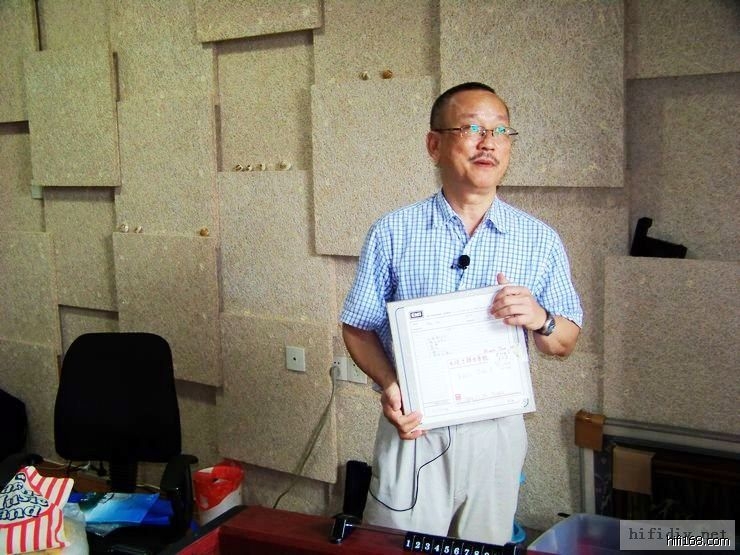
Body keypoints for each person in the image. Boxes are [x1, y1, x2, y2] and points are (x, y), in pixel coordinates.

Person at [340, 82, 583, 545]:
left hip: (497, 429)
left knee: (483, 549)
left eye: (501, 131)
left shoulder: (540, 240)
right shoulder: (393, 231)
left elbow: (565, 340)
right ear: (434, 145)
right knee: (395, 546)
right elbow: (357, 327)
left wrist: (540, 317)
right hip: (415, 426)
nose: (488, 142)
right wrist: (390, 385)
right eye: (472, 129)